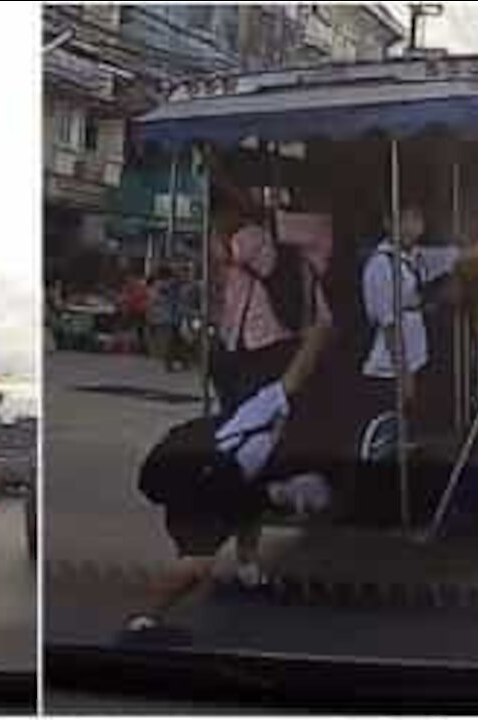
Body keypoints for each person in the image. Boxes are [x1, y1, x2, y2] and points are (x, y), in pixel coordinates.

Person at [126, 169, 335, 634]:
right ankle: (243, 560)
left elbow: (230, 251)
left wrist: (236, 213)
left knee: (255, 435)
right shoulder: (282, 239)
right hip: (247, 348)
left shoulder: (262, 235)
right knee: (250, 443)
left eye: (218, 212)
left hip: (264, 347)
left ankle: (238, 561)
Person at [351, 204, 478, 523]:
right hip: (389, 367)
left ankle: (418, 505)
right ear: (389, 222)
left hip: (415, 360)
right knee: (391, 438)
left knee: (414, 438)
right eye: (408, 219)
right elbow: (390, 325)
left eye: (419, 218)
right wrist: (404, 373)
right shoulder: (380, 266)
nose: (416, 225)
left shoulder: (412, 258)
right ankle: (386, 507)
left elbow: (454, 257)